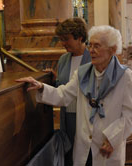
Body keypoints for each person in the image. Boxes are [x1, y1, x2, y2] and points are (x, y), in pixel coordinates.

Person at [16, 25, 132, 166]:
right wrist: (41, 87)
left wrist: (113, 139)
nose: (91, 50)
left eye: (97, 46)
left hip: (108, 146)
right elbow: (63, 95)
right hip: (84, 145)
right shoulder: (82, 73)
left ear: (112, 50)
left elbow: (130, 115)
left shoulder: (124, 76)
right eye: (90, 45)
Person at [44, 17, 91, 166]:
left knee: (87, 155)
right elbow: (62, 87)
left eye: (66, 39)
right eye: (61, 39)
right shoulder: (63, 59)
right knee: (70, 154)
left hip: (86, 116)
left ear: (80, 38)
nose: (63, 43)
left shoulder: (92, 58)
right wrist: (54, 79)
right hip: (68, 116)